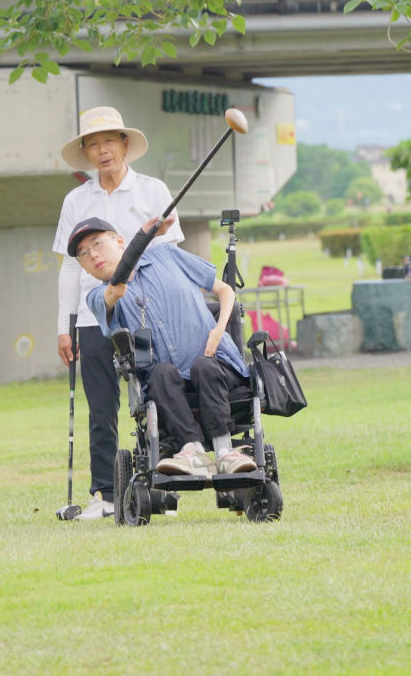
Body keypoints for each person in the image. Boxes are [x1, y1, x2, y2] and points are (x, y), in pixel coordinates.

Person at [52, 106, 184, 520]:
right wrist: (64, 326)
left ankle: (162, 489)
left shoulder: (152, 190)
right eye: (93, 144)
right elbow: (70, 267)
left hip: (144, 313)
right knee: (101, 406)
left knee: (156, 396)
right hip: (93, 316)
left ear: (125, 144)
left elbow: (169, 256)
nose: (103, 150)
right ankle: (106, 493)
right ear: (86, 152)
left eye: (110, 141)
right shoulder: (76, 200)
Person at [68, 216, 257, 478]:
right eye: (83, 254)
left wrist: (219, 329)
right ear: (84, 268)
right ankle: (192, 450)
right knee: (160, 373)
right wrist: (143, 236)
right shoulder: (97, 297)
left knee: (203, 366)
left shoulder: (166, 254)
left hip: (217, 369)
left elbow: (225, 290)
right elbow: (116, 291)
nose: (93, 255)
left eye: (97, 243)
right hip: (166, 384)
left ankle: (226, 452)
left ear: (120, 241)